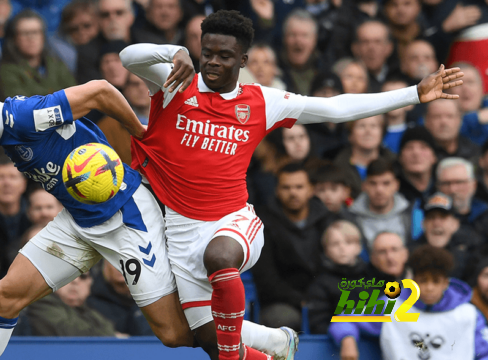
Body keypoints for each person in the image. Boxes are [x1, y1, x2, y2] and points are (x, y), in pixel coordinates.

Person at [120, 8, 460, 359]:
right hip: (181, 230)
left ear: (243, 60)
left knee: (219, 260)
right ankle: (278, 346)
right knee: (207, 336)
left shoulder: (262, 101)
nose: (213, 62)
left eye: (225, 56)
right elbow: (127, 57)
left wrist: (413, 94)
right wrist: (171, 52)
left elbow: (336, 108)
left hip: (232, 222)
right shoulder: (176, 81)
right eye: (207, 54)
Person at [0, 71, 195, 360]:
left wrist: (140, 132)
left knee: (173, 334)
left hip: (124, 213)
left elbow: (100, 90)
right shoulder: (1, 130)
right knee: (4, 296)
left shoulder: (25, 116)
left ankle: (257, 344)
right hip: (77, 220)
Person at [330, 245, 488, 360]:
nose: (429, 288)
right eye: (423, 281)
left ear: (445, 283)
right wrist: (347, 339)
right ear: (413, 281)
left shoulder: (468, 314)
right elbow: (344, 319)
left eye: (436, 281)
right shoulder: (391, 306)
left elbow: (485, 352)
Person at [253, 163, 337, 330]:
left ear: (311, 189)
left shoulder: (327, 220)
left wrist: (319, 297)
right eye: (286, 187)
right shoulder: (262, 223)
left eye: (299, 187)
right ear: (277, 190)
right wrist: (302, 300)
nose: (293, 193)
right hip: (281, 303)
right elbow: (266, 279)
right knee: (282, 319)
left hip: (325, 296)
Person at [0, 9, 76, 99]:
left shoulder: (56, 63)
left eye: (35, 32)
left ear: (43, 36)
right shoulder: (6, 71)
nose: (31, 38)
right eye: (25, 33)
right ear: (14, 39)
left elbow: (75, 95)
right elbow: (23, 108)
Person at [305, 220, 366, 334]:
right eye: (335, 244)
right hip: (337, 344)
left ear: (359, 247)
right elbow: (319, 324)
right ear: (326, 250)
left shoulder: (373, 277)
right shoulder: (320, 285)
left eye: (348, 242)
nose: (342, 248)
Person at [410, 192, 483, 282]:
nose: (436, 223)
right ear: (423, 224)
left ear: (455, 224)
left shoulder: (473, 247)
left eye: (443, 217)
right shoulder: (411, 253)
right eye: (431, 217)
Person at [26, 269, 116, 336]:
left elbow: (108, 327)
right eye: (68, 275)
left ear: (90, 283)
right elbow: (69, 332)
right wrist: (112, 336)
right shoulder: (40, 302)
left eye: (83, 276)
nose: (75, 280)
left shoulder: (86, 308)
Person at [348, 159, 413, 251]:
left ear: (396, 185)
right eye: (373, 183)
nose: (379, 190)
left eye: (386, 183)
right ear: (364, 186)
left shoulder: (413, 214)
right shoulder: (350, 218)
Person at [87, 260, 153, 336]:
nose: (122, 266)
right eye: (115, 259)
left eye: (129, 260)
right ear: (105, 263)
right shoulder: (88, 301)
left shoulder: (157, 298)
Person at [436, 157, 488, 239]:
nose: (452, 189)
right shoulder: (429, 217)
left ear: (473, 185)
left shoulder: (485, 213)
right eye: (446, 183)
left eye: (459, 182)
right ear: (438, 187)